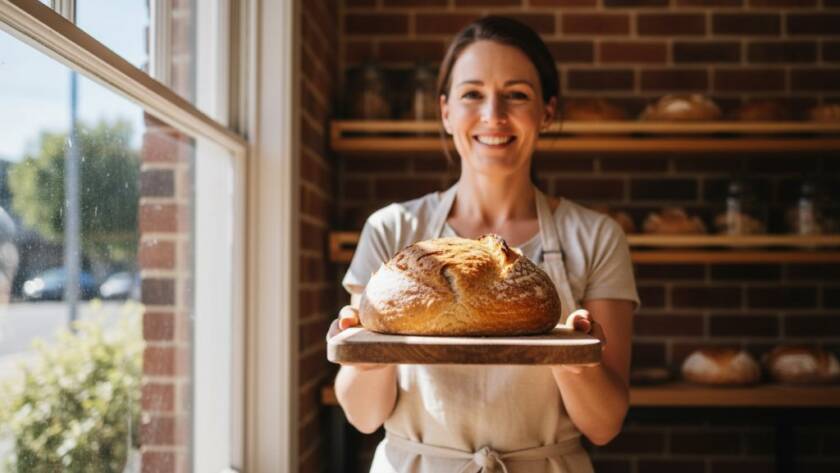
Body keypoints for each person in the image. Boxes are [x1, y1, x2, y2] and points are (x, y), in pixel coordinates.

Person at [328, 16, 639, 473]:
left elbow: (604, 425)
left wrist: (572, 358)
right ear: (445, 111)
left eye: (517, 94)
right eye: (472, 94)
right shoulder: (392, 231)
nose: (493, 115)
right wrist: (367, 361)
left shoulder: (595, 236)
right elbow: (362, 415)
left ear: (547, 112)